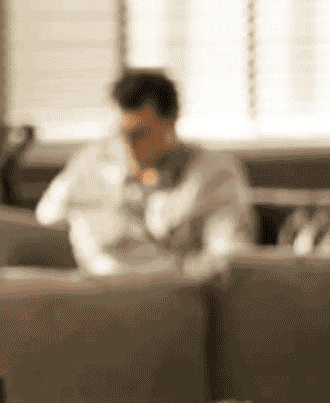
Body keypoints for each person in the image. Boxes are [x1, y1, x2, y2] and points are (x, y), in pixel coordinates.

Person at [33, 68, 256, 275]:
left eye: (140, 135)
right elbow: (46, 222)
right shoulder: (94, 160)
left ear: (171, 121)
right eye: (122, 134)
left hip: (170, 290)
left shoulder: (213, 173)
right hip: (93, 290)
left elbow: (227, 255)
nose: (129, 148)